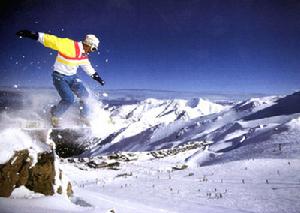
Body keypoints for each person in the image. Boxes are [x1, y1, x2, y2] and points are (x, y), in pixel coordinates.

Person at [16, 30, 105, 127]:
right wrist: (32, 35)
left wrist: (97, 78)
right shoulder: (69, 45)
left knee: (85, 96)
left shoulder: (83, 55)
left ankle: (84, 117)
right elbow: (52, 40)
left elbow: (88, 67)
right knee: (69, 99)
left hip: (73, 78)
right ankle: (54, 115)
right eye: (93, 49)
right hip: (60, 77)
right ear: (88, 44)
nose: (92, 52)